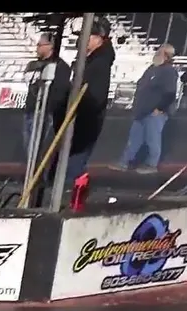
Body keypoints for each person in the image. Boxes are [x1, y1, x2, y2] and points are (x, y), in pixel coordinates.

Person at [57, 16, 115, 190]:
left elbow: (95, 98)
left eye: (87, 36)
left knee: (73, 166)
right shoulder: (88, 61)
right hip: (77, 122)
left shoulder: (99, 64)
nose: (82, 40)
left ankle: (71, 195)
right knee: (68, 164)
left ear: (98, 39)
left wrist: (78, 109)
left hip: (84, 123)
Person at [115, 43, 176, 174]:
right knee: (134, 139)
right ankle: (124, 162)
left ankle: (151, 165)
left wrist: (159, 108)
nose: (156, 54)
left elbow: (170, 93)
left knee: (152, 140)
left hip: (154, 112)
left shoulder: (169, 71)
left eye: (160, 52)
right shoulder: (152, 69)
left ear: (167, 56)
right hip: (142, 110)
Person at [22, 32, 70, 166]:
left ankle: (39, 175)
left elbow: (60, 92)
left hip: (45, 113)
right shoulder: (33, 64)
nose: (37, 48)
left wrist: (49, 108)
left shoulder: (60, 67)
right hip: (30, 110)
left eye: (40, 45)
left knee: (38, 148)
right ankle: (32, 173)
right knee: (28, 147)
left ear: (50, 46)